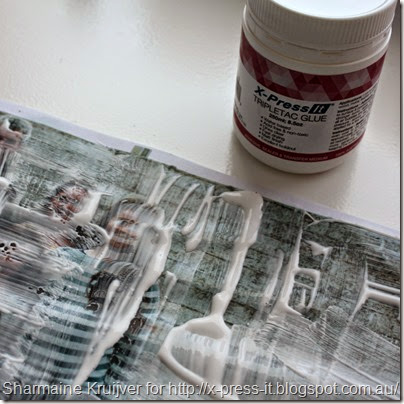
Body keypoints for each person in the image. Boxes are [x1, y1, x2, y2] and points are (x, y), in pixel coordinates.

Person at [6, 196, 161, 399]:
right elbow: (25, 312)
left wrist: (108, 396)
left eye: (138, 226)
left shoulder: (142, 285)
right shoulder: (64, 256)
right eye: (123, 220)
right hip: (26, 371)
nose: (126, 229)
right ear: (108, 220)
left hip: (84, 387)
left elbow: (131, 348)